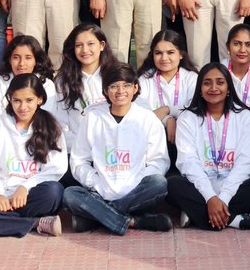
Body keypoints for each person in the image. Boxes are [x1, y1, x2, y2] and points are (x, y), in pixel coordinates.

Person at [64, 65, 173, 234]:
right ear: (105, 91)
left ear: (135, 87)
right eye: (114, 86)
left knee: (159, 183)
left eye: (126, 85)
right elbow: (79, 160)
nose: (120, 91)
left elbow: (159, 161)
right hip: (100, 190)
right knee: (70, 194)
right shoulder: (93, 118)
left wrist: (134, 182)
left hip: (135, 189)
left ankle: (98, 218)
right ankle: (133, 222)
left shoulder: (148, 119)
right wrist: (95, 182)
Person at [167, 63, 250, 231]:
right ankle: (237, 220)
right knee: (173, 184)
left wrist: (222, 198)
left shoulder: (245, 117)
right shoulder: (188, 118)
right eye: (207, 83)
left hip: (235, 187)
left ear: (229, 88)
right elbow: (188, 162)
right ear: (200, 89)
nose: (213, 88)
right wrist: (210, 196)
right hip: (200, 187)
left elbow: (246, 163)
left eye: (220, 82)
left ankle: (199, 216)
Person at [0, 74, 67, 237]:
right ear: (10, 99)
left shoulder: (52, 127)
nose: (23, 107)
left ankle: (2, 221)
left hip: (31, 195)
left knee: (54, 192)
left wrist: (25, 187)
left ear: (40, 99)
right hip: (3, 194)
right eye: (17, 100)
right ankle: (35, 223)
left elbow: (55, 169)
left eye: (29, 100)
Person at [51, 24, 121, 152]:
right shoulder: (63, 82)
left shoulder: (118, 75)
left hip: (118, 150)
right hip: (79, 151)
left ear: (102, 46)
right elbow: (59, 125)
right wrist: (86, 146)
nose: (85, 50)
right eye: (79, 45)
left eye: (90, 44)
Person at [136, 29, 200, 147]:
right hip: (151, 139)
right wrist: (167, 120)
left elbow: (195, 111)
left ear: (181, 54)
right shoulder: (145, 79)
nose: (164, 58)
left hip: (187, 138)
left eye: (170, 52)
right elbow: (140, 115)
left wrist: (167, 110)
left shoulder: (192, 78)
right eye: (158, 53)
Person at [0, 34, 59, 125]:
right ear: (9, 59)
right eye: (16, 57)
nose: (21, 63)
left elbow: (46, 118)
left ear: (36, 60)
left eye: (28, 58)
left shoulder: (46, 85)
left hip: (38, 134)